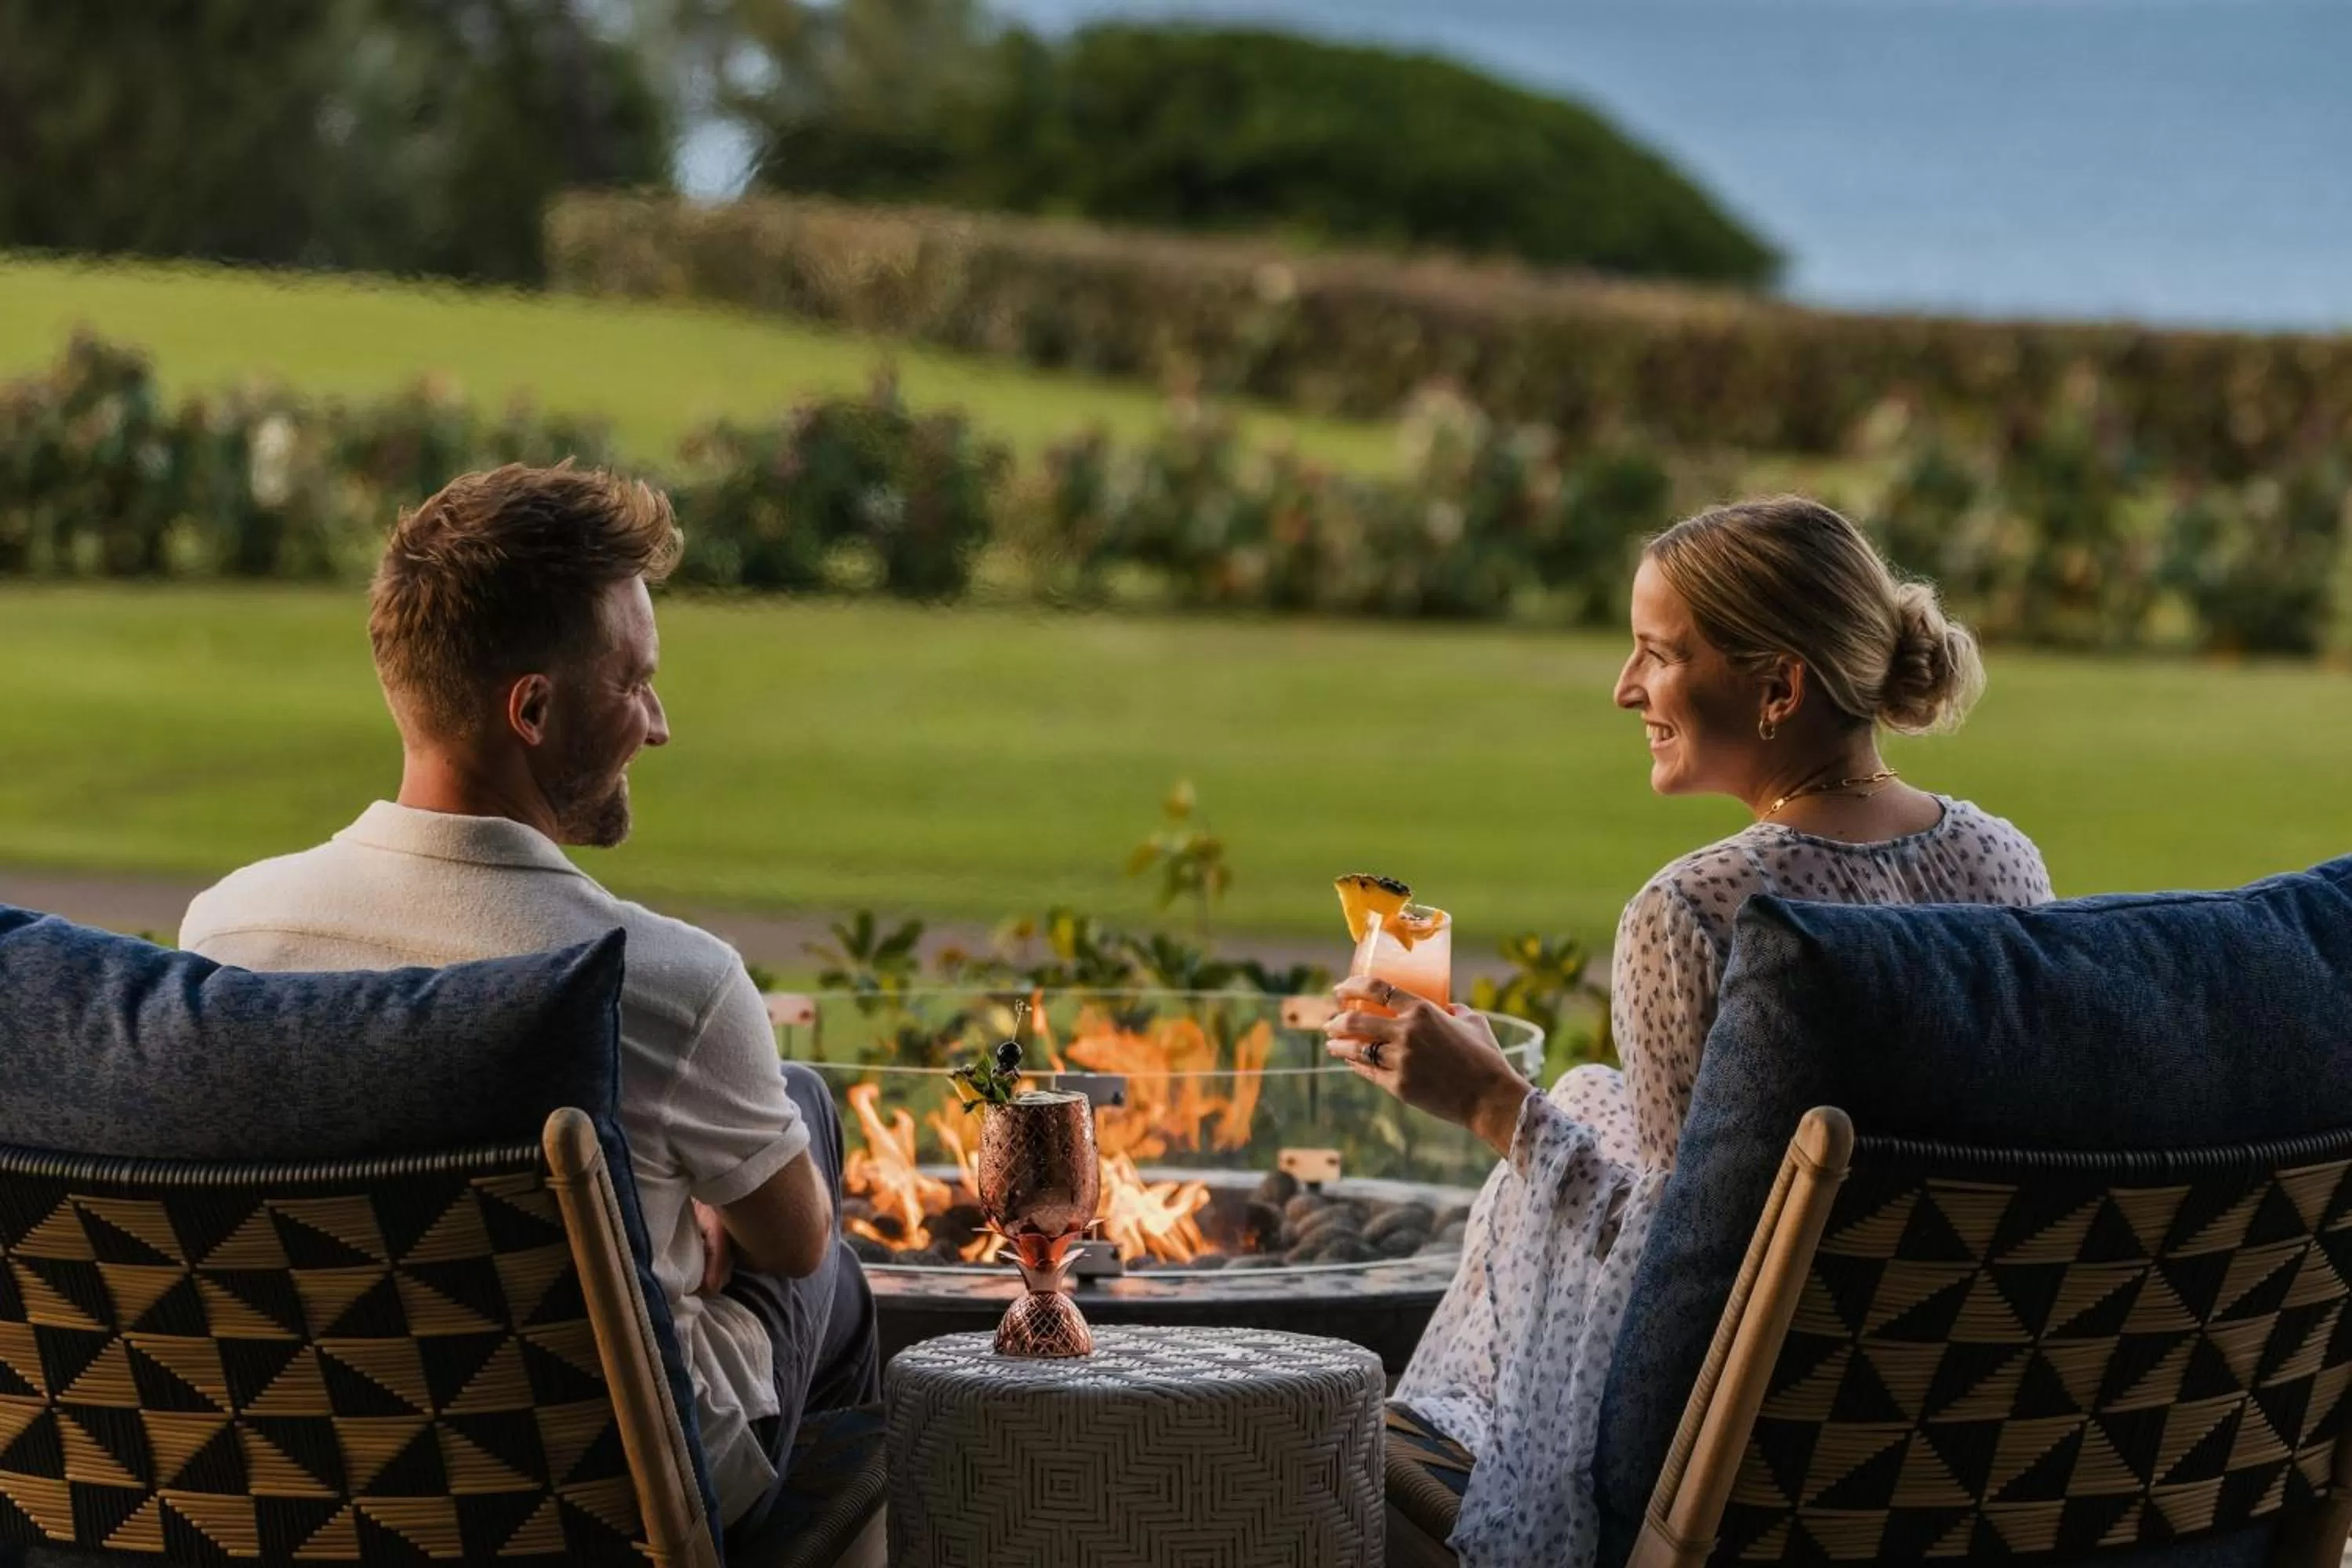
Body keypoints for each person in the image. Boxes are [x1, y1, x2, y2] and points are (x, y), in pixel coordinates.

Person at [1327, 496, 2053, 1567]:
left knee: (1372, 1447)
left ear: (1778, 688)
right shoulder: (2003, 863)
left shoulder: (1706, 913)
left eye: (1658, 656)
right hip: (1964, 1427)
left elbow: (1671, 1278)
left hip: (1758, 1470)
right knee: (1592, 1098)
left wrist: (1485, 1099)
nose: (1626, 690)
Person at [180, 462, 877, 1544]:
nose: (659, 725)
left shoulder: (226, 935)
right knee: (811, 1140)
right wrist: (698, 1228)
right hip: (609, 1491)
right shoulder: (664, 983)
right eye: (635, 680)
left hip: (317, 1464)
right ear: (536, 710)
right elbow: (793, 1250)